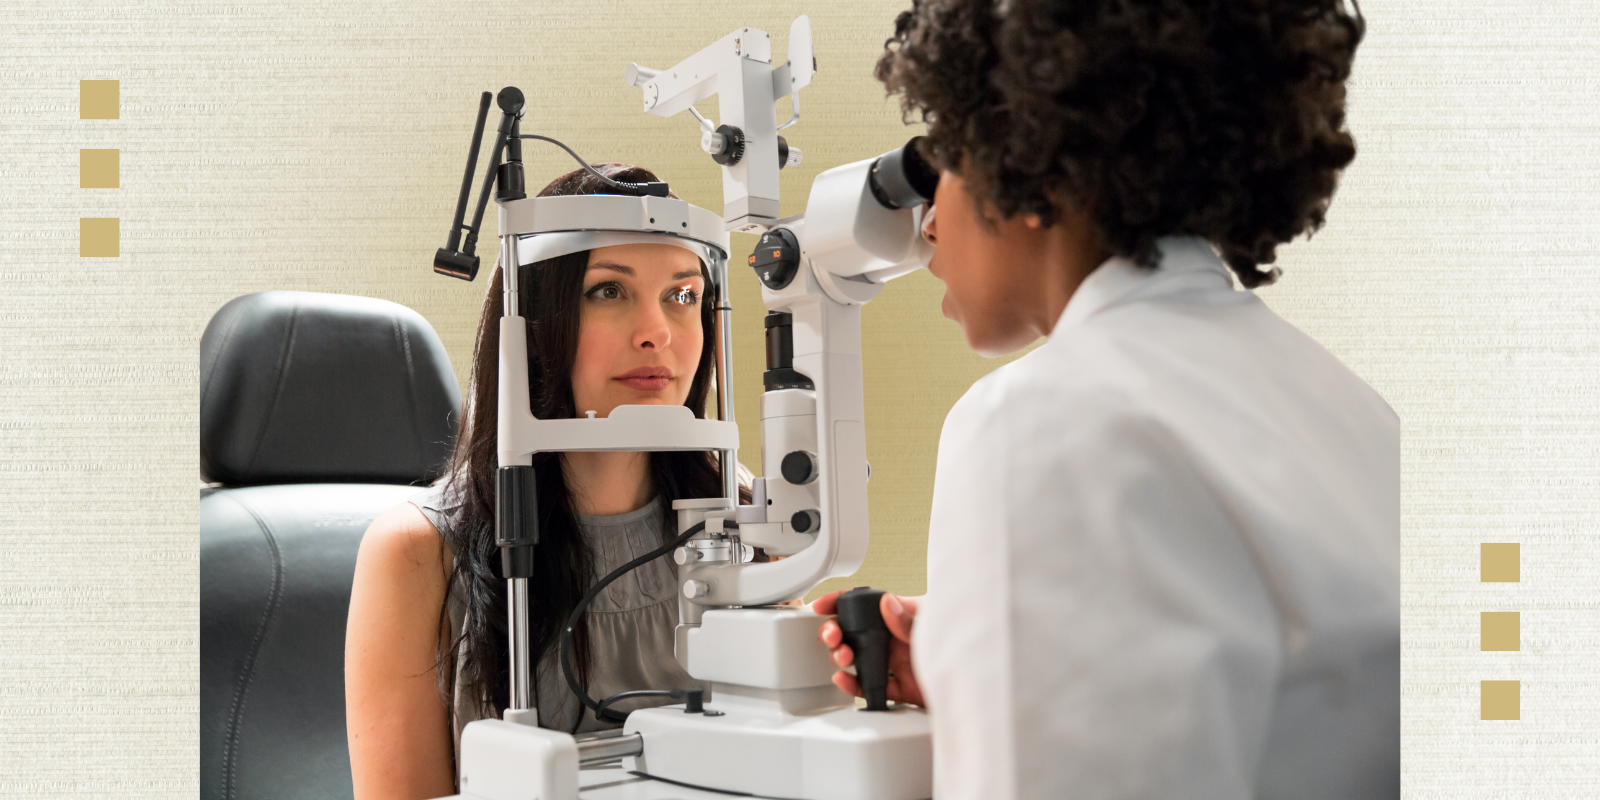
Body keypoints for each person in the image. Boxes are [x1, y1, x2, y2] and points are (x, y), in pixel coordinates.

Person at [816, 1, 1398, 798]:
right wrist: (986, 670)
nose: (926, 229)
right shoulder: (1354, 409)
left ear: (1023, 156)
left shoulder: (1040, 422)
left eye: (942, 160)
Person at [344, 163, 745, 799]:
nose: (658, 332)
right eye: (609, 291)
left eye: (684, 295)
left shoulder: (738, 517)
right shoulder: (417, 555)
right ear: (531, 322)